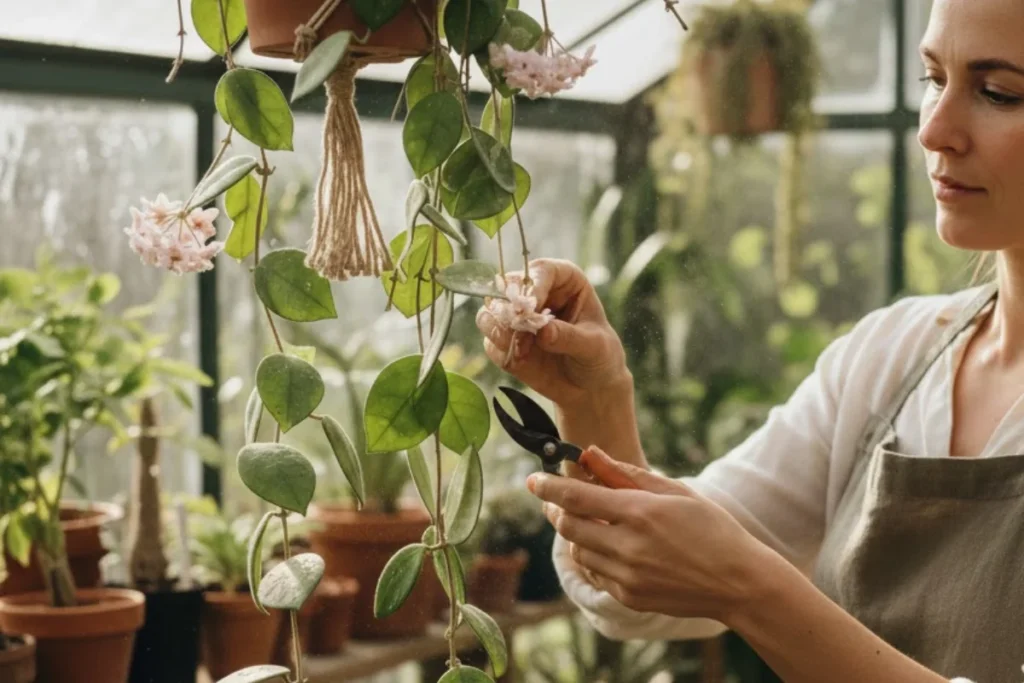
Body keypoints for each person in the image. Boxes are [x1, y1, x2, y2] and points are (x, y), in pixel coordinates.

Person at [475, 1, 1024, 681]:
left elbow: (727, 573)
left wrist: (751, 587)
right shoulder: (894, 358)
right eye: (932, 79)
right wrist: (596, 400)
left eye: (999, 92)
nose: (936, 131)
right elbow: (645, 594)